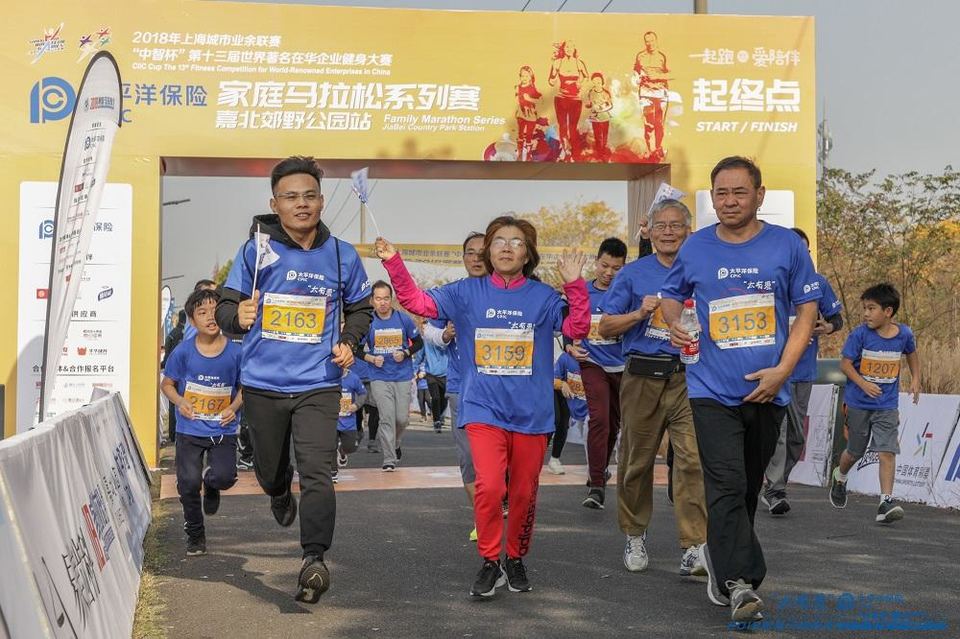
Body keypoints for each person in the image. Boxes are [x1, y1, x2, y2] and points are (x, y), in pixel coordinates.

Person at [375, 215, 590, 597]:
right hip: (483, 409)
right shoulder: (465, 293)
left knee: (523, 492)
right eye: (499, 241)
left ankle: (515, 555)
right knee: (489, 486)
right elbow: (416, 301)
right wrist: (394, 261)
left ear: (528, 254)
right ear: (488, 252)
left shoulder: (542, 298)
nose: (507, 247)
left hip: (532, 414)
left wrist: (575, 285)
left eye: (517, 242)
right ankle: (490, 561)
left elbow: (576, 329)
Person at [661, 156, 821, 623]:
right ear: (713, 199)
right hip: (710, 388)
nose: (729, 201)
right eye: (721, 194)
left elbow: (807, 314)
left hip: (768, 392)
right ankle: (741, 583)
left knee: (748, 488)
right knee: (727, 483)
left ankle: (720, 556)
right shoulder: (696, 248)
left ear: (760, 195)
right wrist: (675, 323)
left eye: (739, 192)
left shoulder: (787, 247)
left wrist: (781, 373)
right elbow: (672, 295)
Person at [216, 156, 372, 603]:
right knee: (269, 471)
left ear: (321, 202)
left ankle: (314, 558)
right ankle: (278, 490)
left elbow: (359, 309)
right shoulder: (255, 251)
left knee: (319, 473)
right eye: (290, 197)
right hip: (263, 384)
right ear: (275, 203)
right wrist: (238, 316)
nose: (301, 204)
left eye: (309, 196)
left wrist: (349, 340)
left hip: (319, 383)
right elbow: (226, 308)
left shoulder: (342, 255)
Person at [598, 199, 707, 577]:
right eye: (661, 225)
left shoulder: (703, 269)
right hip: (643, 376)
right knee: (636, 463)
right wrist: (639, 313)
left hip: (690, 377)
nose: (668, 231)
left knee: (692, 460)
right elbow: (605, 328)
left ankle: (694, 546)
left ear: (688, 230)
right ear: (650, 231)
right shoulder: (631, 274)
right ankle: (634, 534)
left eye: (676, 225)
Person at [761, 228, 843, 516]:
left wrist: (828, 327)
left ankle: (773, 483)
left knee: (796, 438)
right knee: (779, 435)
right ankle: (774, 490)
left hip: (803, 372)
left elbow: (837, 319)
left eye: (804, 251)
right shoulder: (766, 281)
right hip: (772, 371)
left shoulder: (818, 283)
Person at [160, 288, 243, 556]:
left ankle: (213, 484)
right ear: (192, 321)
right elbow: (167, 385)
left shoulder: (235, 353)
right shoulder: (183, 353)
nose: (210, 317)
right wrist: (181, 402)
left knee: (225, 477)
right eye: (202, 312)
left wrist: (233, 406)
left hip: (223, 429)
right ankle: (195, 534)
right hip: (190, 429)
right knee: (187, 483)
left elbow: (245, 387)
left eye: (214, 311)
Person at [829, 283, 921, 523]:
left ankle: (885, 502)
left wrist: (916, 379)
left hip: (887, 405)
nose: (866, 313)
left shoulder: (904, 335)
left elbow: (911, 353)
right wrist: (864, 384)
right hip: (859, 402)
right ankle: (840, 475)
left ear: (888, 312)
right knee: (855, 451)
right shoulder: (860, 335)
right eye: (864, 308)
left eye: (871, 308)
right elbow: (845, 364)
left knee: (887, 451)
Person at [422, 231, 487, 541]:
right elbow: (428, 331)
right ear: (463, 258)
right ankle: (482, 519)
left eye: (481, 252)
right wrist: (445, 335)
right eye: (470, 253)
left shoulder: (510, 292)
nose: (475, 258)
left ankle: (502, 506)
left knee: (503, 460)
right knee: (469, 457)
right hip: (462, 386)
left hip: (502, 388)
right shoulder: (453, 294)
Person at [569, 237, 626, 509]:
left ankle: (601, 469)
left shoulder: (627, 291)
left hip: (623, 366)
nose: (608, 272)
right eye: (604, 265)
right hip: (592, 363)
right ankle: (596, 485)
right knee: (599, 419)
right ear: (596, 262)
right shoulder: (583, 294)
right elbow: (566, 326)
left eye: (616, 268)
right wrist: (570, 346)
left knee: (614, 424)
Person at [363, 281, 423, 471]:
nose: (382, 303)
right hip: (379, 376)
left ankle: (396, 442)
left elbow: (419, 343)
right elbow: (356, 348)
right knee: (386, 418)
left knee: (401, 419)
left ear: (391, 299)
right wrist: (371, 358)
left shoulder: (403, 319)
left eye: (386, 298)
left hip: (402, 375)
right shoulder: (368, 322)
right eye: (378, 298)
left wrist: (405, 353)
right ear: (372, 300)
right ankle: (389, 459)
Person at [548, 40, 588, 162]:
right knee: (563, 127)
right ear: (563, 49)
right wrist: (554, 73)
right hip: (561, 98)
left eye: (571, 47)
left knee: (573, 128)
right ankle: (566, 152)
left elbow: (587, 77)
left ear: (574, 48)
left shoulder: (579, 63)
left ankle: (574, 153)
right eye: (567, 47)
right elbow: (551, 81)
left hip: (575, 99)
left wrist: (580, 83)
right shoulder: (558, 62)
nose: (569, 49)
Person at [549, 350, 587, 475]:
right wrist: (561, 383)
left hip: (567, 382)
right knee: (555, 419)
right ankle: (540, 452)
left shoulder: (569, 345)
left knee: (564, 421)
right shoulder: (563, 355)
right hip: (553, 381)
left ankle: (555, 458)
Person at [633, 31, 670, 159]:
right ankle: (650, 151)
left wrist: (658, 76)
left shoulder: (662, 56)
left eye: (652, 40)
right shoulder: (640, 56)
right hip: (645, 93)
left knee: (659, 124)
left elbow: (674, 74)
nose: (650, 43)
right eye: (647, 41)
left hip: (661, 93)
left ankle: (658, 148)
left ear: (656, 41)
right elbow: (635, 71)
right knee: (648, 124)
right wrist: (637, 78)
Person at [334, 367, 366, 483]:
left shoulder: (353, 378)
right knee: (329, 446)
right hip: (331, 419)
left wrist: (356, 405)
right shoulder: (328, 377)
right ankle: (333, 471)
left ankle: (342, 451)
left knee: (351, 447)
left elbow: (363, 394)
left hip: (348, 421)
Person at [162, 309, 188, 443]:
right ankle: (177, 433)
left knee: (174, 404)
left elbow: (166, 357)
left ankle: (173, 434)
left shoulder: (172, 334)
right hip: (185, 375)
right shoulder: (187, 335)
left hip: (172, 372)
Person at [422, 324, 450, 433]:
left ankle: (441, 415)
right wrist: (416, 370)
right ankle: (436, 421)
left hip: (445, 373)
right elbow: (420, 355)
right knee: (436, 397)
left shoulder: (446, 338)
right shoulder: (425, 341)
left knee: (444, 398)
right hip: (431, 373)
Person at [515, 66, 544, 162]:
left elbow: (541, 100)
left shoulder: (532, 88)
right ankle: (519, 153)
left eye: (526, 76)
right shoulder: (517, 88)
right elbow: (517, 100)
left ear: (530, 77)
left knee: (529, 135)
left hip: (531, 115)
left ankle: (528, 155)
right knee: (520, 133)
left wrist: (529, 99)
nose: (524, 78)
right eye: (522, 76)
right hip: (521, 114)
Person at [584, 72, 613, 160]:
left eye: (599, 81)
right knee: (597, 136)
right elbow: (589, 104)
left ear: (602, 82)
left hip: (605, 117)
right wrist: (588, 105)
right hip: (595, 118)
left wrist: (602, 109)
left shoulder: (606, 93)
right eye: (595, 81)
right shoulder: (591, 93)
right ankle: (599, 153)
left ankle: (603, 151)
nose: (597, 83)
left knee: (604, 136)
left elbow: (610, 105)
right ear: (593, 82)